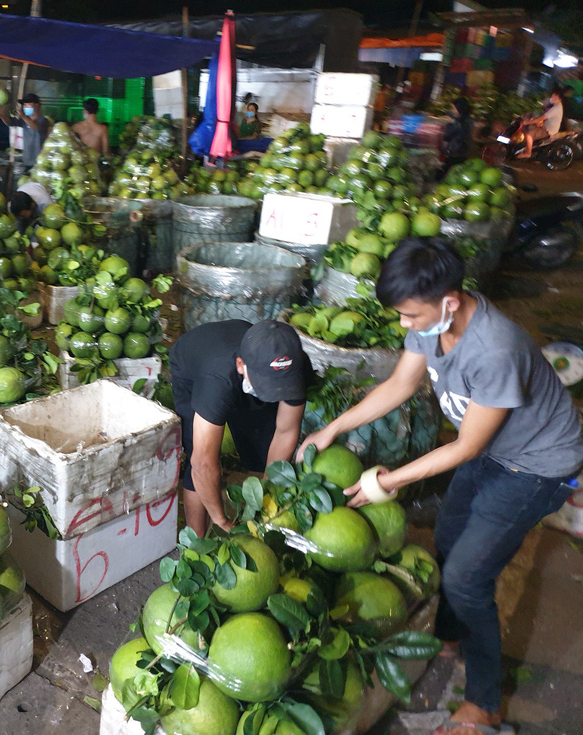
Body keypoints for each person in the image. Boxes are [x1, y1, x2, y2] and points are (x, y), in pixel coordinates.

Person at [298, 239, 583, 735]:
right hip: (493, 450)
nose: (405, 325)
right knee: (448, 538)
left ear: (449, 301)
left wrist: (390, 480)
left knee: (467, 579)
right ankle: (451, 635)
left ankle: (483, 704)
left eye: (411, 315)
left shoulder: (495, 348)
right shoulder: (431, 325)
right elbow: (400, 385)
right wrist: (334, 428)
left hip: (535, 465)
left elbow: (465, 447)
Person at [170, 320, 311, 536]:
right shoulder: (217, 381)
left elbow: (285, 432)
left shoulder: (294, 369)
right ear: (240, 365)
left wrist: (266, 494)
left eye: (281, 387)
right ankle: (195, 544)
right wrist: (222, 520)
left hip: (244, 364)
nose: (277, 393)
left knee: (263, 447)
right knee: (198, 460)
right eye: (268, 387)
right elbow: (202, 464)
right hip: (194, 367)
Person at [0, 92, 50, 170]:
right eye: (24, 105)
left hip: (39, 163)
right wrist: (2, 116)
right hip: (26, 161)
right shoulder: (23, 121)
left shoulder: (44, 121)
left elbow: (36, 127)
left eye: (28, 104)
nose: (25, 107)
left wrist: (24, 117)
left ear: (37, 105)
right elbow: (10, 123)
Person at [519, 89, 563, 158]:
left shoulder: (557, 108)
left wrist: (527, 122)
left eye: (556, 98)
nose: (553, 98)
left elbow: (543, 117)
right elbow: (539, 104)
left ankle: (528, 153)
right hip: (544, 125)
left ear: (560, 100)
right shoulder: (552, 102)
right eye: (553, 96)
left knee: (529, 134)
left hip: (548, 130)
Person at [442, 96, 473, 172]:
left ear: (459, 108)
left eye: (453, 108)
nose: (452, 110)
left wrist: (452, 123)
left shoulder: (464, 121)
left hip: (456, 153)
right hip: (455, 153)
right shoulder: (457, 117)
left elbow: (460, 133)